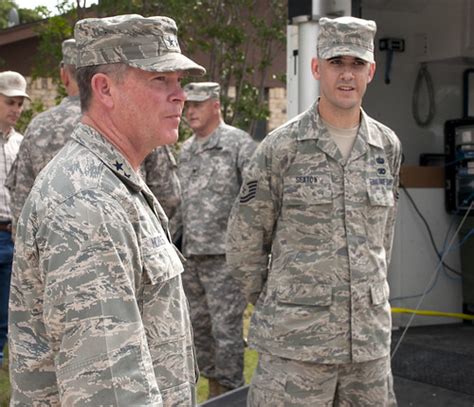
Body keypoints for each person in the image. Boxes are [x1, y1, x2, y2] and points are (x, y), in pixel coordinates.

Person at [9, 14, 205, 406]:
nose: (179, 95)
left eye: (179, 81)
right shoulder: (87, 203)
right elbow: (110, 391)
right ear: (105, 89)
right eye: (159, 80)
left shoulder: (115, 181)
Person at [226, 16, 402, 406]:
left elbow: (383, 237)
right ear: (316, 67)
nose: (346, 74)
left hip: (367, 346)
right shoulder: (282, 148)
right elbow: (244, 243)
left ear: (371, 71)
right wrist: (288, 300)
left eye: (356, 64)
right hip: (296, 346)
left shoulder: (386, 147)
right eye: (336, 62)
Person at [6, 39, 181, 234]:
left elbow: (22, 202)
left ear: (64, 76)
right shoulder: (135, 120)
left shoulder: (38, 127)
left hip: (56, 251)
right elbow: (168, 194)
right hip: (128, 246)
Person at [175, 82, 256, 397]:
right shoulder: (186, 150)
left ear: (216, 105)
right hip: (191, 256)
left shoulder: (238, 144)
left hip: (225, 258)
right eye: (187, 106)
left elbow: (255, 200)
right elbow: (181, 204)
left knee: (227, 332)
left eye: (197, 105)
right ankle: (213, 391)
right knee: (200, 330)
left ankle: (232, 394)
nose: (190, 112)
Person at [0, 71, 29, 367]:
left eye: (20, 104)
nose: (16, 110)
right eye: (10, 102)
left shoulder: (21, 143)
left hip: (14, 235)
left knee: (7, 312)